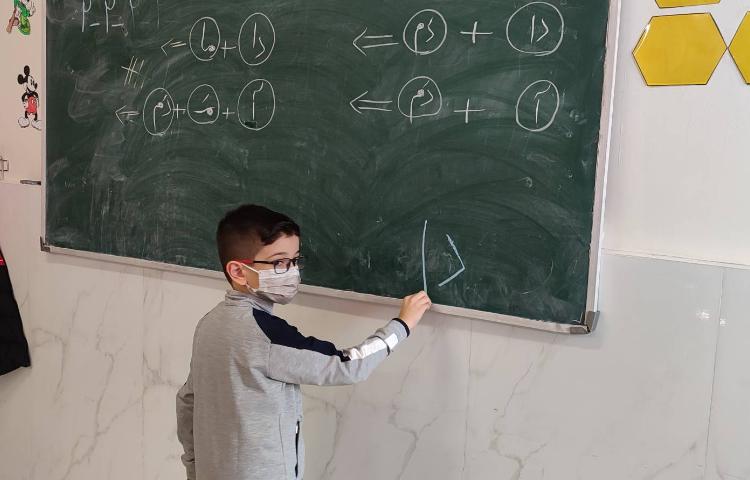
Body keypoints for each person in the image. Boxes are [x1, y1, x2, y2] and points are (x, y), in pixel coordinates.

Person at [176, 204, 431, 480]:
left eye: (295, 260)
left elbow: (188, 401)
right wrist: (401, 325)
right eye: (279, 263)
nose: (292, 272)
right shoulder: (268, 335)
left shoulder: (210, 324)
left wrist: (194, 468)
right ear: (238, 271)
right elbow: (347, 365)